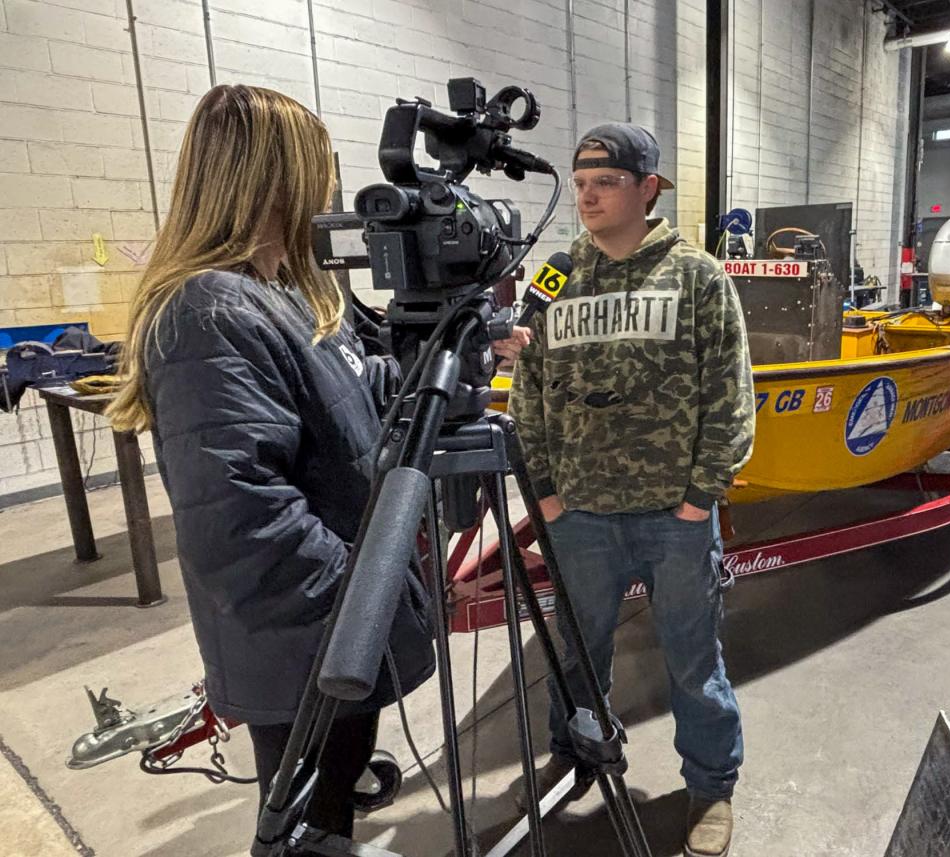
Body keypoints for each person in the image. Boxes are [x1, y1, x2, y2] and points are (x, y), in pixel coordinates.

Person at [106, 84, 529, 839]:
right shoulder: (213, 311)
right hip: (308, 638)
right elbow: (244, 521)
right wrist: (364, 595)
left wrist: (457, 362)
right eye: (317, 167)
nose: (330, 189)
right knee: (305, 820)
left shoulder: (279, 294)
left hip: (331, 630)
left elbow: (357, 396)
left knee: (333, 791)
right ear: (276, 178)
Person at [509, 123, 755, 857]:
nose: (586, 194)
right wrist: (546, 492)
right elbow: (529, 392)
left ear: (647, 189)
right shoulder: (556, 278)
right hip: (579, 513)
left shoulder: (696, 277)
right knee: (574, 650)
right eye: (581, 181)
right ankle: (579, 753)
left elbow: (729, 396)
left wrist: (698, 497)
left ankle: (710, 786)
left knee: (691, 656)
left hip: (673, 516)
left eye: (605, 181)